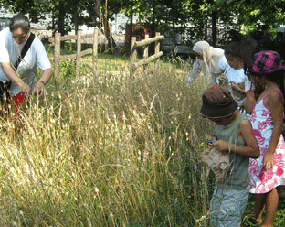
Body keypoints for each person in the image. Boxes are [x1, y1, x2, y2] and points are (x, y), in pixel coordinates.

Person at [200, 84, 259, 226]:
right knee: (215, 218)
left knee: (229, 221)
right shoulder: (221, 121)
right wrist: (213, 139)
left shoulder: (243, 123)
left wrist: (230, 147)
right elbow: (221, 134)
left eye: (218, 120)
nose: (216, 123)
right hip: (221, 182)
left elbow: (255, 151)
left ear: (226, 113)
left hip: (237, 184)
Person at [247, 50, 285, 226]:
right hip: (261, 147)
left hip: (270, 148)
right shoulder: (265, 90)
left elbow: (278, 124)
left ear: (263, 76)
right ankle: (256, 216)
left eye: (255, 74)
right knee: (264, 182)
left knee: (271, 186)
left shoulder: (275, 94)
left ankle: (268, 223)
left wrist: (270, 153)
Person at [0, 13, 52, 113]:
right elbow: (5, 66)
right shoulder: (3, 37)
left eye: (22, 37)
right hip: (2, 82)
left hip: (21, 87)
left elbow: (48, 69)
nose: (18, 41)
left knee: (17, 120)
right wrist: (19, 82)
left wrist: (41, 82)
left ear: (28, 30)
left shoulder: (35, 43)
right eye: (14, 37)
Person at [218, 42, 248, 106]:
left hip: (244, 107)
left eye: (231, 60)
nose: (228, 62)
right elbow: (224, 85)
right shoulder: (228, 69)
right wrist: (220, 81)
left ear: (239, 58)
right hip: (232, 105)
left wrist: (238, 89)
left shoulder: (245, 73)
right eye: (227, 60)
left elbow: (252, 93)